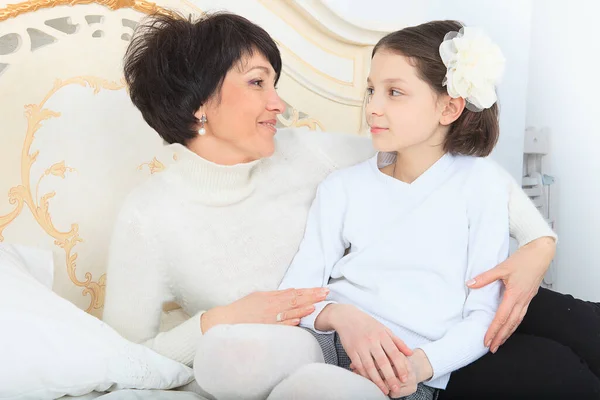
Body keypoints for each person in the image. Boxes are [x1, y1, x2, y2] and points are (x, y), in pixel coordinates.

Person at [101, 12, 599, 400]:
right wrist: (224, 319)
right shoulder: (150, 216)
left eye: (275, 82)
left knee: (576, 345)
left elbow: (450, 167)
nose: (280, 104)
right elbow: (125, 358)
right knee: (235, 358)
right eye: (258, 83)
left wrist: (540, 245)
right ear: (198, 103)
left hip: (455, 313)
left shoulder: (312, 151)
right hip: (326, 333)